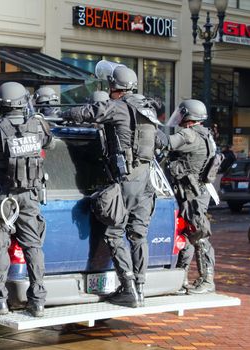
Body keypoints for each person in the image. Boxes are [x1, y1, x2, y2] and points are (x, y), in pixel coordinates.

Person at [62, 65, 160, 308]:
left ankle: (127, 288)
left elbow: (89, 112)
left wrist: (67, 112)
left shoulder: (118, 106)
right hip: (146, 179)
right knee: (138, 235)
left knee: (114, 232)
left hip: (126, 180)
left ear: (114, 87)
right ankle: (140, 288)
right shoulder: (147, 107)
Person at [0, 82, 54, 317]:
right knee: (33, 246)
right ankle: (37, 301)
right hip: (30, 195)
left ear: (0, 103)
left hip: (1, 197)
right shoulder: (38, 125)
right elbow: (49, 142)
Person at [157, 99, 217, 294]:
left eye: (181, 114)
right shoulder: (206, 134)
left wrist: (148, 128)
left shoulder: (189, 134)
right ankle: (180, 279)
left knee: (199, 236)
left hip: (191, 194)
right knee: (186, 234)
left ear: (188, 116)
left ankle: (207, 281)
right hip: (196, 192)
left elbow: (165, 142)